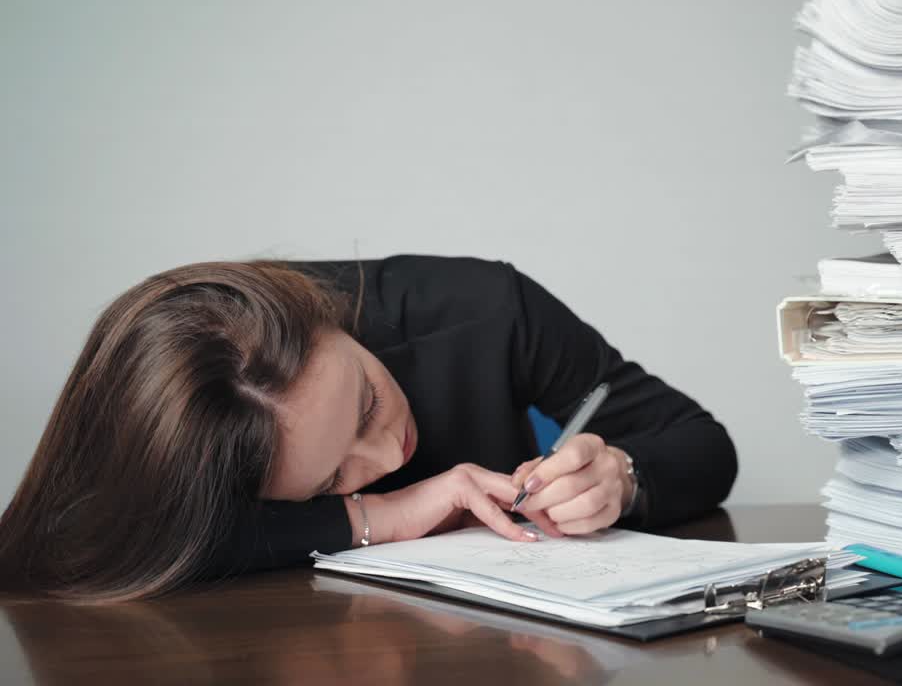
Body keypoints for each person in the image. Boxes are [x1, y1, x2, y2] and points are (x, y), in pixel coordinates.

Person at [0, 255, 737, 601]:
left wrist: (622, 477)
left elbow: (703, 445)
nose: (387, 454)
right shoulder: (191, 409)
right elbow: (68, 541)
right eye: (330, 477)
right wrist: (373, 515)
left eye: (366, 406)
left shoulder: (485, 310)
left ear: (331, 317)